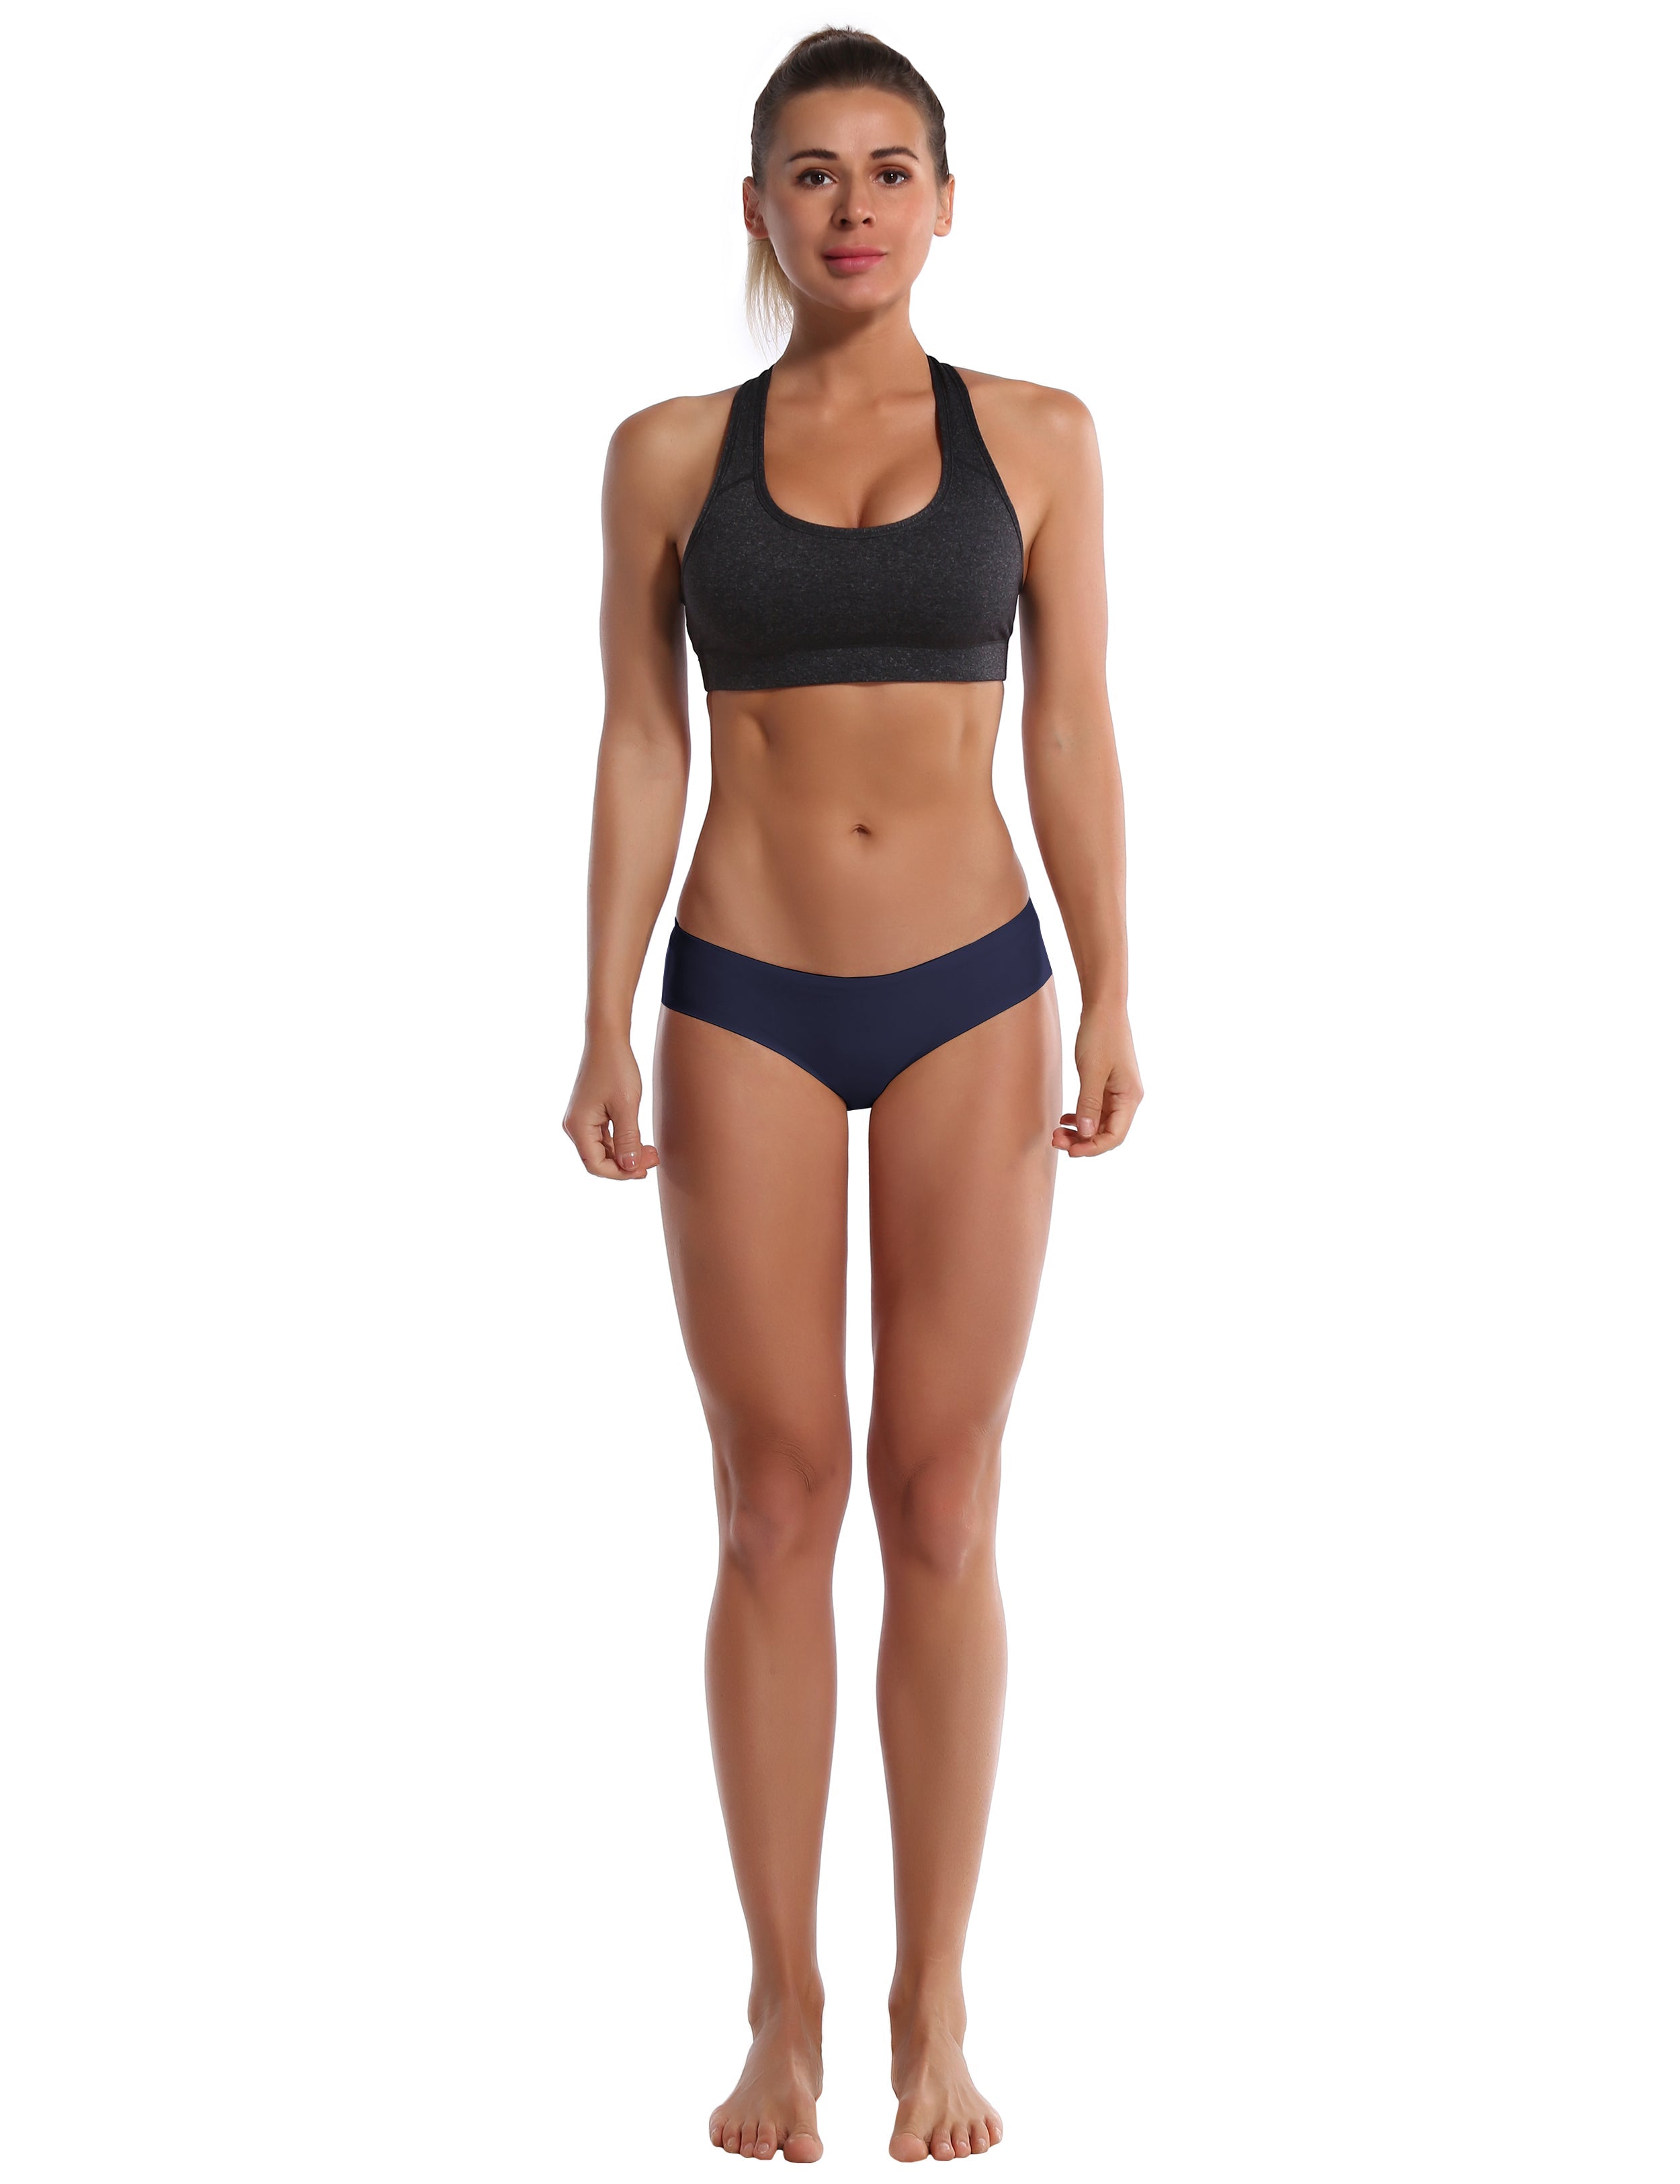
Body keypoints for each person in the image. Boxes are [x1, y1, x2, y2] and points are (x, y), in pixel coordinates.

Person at [563, 28, 1142, 2165]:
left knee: (943, 1499)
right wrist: (600, 1009)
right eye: (810, 172)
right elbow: (644, 738)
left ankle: (934, 2002)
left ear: (946, 201)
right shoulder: (664, 454)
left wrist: (1112, 987)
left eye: (890, 167)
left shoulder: (1043, 437)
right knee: (772, 1500)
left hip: (975, 986)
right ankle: (779, 2011)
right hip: (742, 994)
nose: (853, 205)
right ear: (756, 208)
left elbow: (1069, 726)